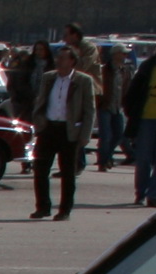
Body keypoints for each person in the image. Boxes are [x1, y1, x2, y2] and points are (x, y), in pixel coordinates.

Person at [32, 45, 94, 221]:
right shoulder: (48, 78)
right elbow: (40, 100)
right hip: (48, 128)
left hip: (69, 131)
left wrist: (84, 135)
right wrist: (38, 123)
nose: (59, 61)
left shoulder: (83, 81)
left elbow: (90, 110)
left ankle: (65, 210)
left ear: (72, 61)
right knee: (40, 170)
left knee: (67, 173)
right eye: (58, 58)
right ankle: (43, 207)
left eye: (63, 58)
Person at [129, 46, 156, 205]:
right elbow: (134, 92)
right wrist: (131, 112)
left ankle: (153, 195)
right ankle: (141, 192)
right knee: (143, 158)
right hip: (146, 118)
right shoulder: (148, 67)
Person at [95, 45, 123, 170]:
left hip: (117, 107)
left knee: (118, 135)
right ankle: (103, 162)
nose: (124, 56)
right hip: (105, 106)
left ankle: (107, 156)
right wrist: (100, 101)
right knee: (105, 136)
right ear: (115, 54)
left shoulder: (125, 70)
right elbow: (98, 86)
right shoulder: (104, 70)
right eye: (122, 53)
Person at [9, 41, 47, 122]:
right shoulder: (28, 64)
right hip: (27, 102)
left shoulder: (50, 65)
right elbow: (20, 82)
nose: (39, 52)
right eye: (37, 50)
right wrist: (32, 96)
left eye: (41, 50)